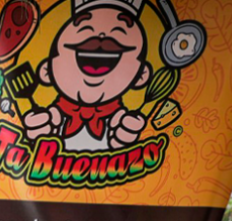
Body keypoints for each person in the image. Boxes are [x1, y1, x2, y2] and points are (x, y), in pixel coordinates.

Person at [23, 0, 155, 151]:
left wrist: (125, 135)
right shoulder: (54, 117)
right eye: (84, 22)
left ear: (141, 75)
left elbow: (123, 141)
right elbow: (42, 131)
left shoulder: (119, 120)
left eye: (122, 26)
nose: (101, 34)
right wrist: (39, 129)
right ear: (46, 71)